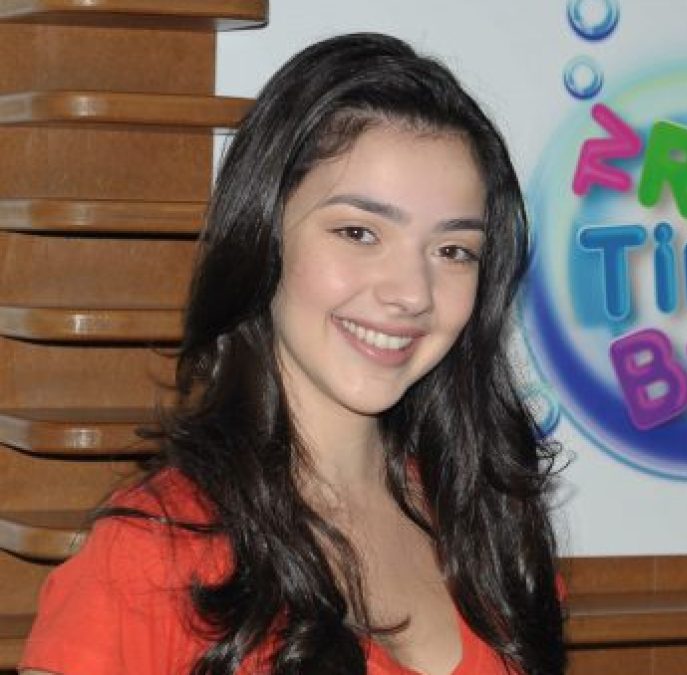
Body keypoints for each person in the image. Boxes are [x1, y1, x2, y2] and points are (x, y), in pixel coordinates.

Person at [19, 32, 566, 675]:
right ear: (264, 235)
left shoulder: (488, 527)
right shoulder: (149, 554)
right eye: (358, 232)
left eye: (453, 251)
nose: (413, 293)